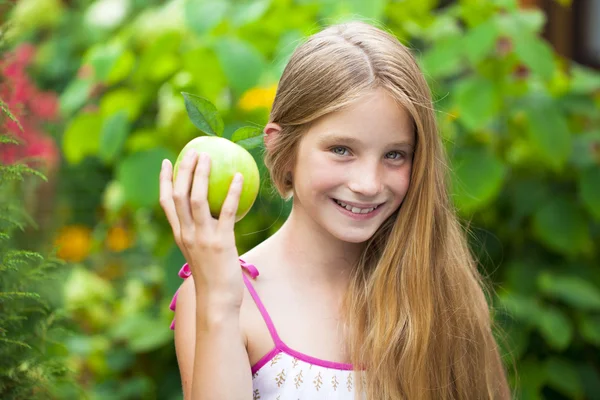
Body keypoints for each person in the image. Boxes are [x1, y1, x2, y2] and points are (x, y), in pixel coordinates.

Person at [160, 20, 512, 400]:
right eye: (342, 150)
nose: (369, 183)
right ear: (282, 149)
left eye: (395, 155)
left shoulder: (439, 286)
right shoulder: (218, 296)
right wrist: (220, 301)